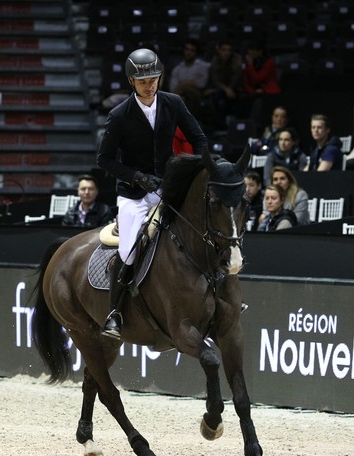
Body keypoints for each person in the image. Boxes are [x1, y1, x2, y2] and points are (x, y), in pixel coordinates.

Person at [96, 47, 207, 340]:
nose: (150, 84)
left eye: (154, 78)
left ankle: (218, 294)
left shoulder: (173, 103)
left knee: (199, 229)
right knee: (129, 249)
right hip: (133, 194)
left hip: (167, 187)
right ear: (132, 81)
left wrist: (205, 166)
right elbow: (104, 160)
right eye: (143, 80)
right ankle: (114, 314)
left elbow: (198, 138)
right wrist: (137, 177)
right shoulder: (119, 115)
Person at [204, 40, 244, 129]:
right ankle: (220, 127)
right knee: (218, 98)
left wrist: (228, 89)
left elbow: (236, 80)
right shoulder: (215, 60)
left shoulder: (236, 60)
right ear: (219, 51)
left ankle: (232, 127)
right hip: (221, 90)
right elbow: (215, 80)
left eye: (229, 50)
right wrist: (226, 89)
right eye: (224, 50)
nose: (226, 53)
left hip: (235, 89)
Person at [168, 38, 211, 122]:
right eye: (187, 49)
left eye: (192, 50)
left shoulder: (203, 66)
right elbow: (173, 89)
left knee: (186, 91)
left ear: (196, 53)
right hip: (183, 97)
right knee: (181, 98)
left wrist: (183, 84)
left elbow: (202, 83)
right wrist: (191, 83)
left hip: (199, 95)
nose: (188, 53)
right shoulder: (177, 69)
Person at [242, 40, 281, 130]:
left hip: (269, 92)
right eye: (249, 49)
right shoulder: (248, 62)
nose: (250, 52)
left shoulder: (269, 62)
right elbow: (245, 81)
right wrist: (252, 91)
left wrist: (250, 65)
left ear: (260, 51)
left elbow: (257, 79)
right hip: (254, 91)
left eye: (253, 50)